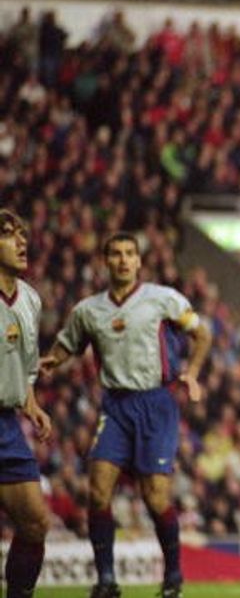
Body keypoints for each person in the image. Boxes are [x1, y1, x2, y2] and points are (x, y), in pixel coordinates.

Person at [40, 232, 212, 598]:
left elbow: (203, 335)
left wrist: (192, 373)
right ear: (106, 261)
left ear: (138, 261)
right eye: (115, 254)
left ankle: (173, 576)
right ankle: (106, 580)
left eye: (129, 254)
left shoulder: (163, 299)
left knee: (156, 498)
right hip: (115, 406)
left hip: (156, 403)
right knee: (98, 490)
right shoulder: (89, 310)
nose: (122, 260)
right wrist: (49, 362)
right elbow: (66, 345)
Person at [0, 210, 52, 598]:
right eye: (8, 235)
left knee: (35, 522)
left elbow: (27, 363)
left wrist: (30, 403)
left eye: (22, 235)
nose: (21, 242)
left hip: (6, 425)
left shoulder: (30, 299)